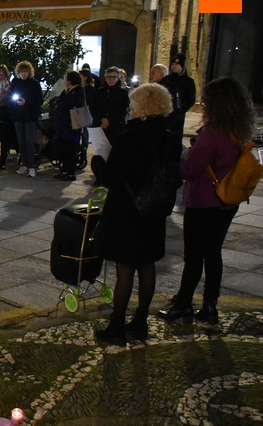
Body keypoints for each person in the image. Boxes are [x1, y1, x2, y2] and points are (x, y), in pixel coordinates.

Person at [156, 77, 253, 325]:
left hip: (204, 201)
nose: (203, 103)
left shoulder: (213, 133)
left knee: (194, 256)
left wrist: (184, 154)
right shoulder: (238, 130)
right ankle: (210, 305)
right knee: (213, 253)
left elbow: (189, 168)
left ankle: (183, 303)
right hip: (228, 201)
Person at [92, 83, 181, 345]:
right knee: (147, 264)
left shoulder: (129, 137)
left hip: (127, 210)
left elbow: (111, 177)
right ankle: (140, 322)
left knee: (125, 268)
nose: (129, 110)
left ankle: (117, 326)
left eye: (132, 105)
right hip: (154, 209)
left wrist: (98, 162)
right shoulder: (171, 139)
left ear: (142, 108)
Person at [88, 66, 130, 183]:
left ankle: (112, 176)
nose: (111, 79)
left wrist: (110, 120)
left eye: (114, 77)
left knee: (114, 152)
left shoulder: (122, 93)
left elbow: (123, 110)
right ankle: (100, 175)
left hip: (115, 126)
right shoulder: (99, 92)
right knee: (100, 152)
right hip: (100, 125)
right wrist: (101, 119)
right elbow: (93, 107)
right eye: (109, 77)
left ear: (118, 78)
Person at [9, 61, 43, 177]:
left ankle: (32, 166)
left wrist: (26, 103)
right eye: (21, 72)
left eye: (25, 72)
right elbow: (11, 95)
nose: (23, 74)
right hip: (18, 116)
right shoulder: (15, 82)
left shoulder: (34, 84)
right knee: (21, 142)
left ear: (29, 72)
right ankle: (24, 165)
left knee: (29, 141)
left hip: (30, 117)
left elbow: (39, 100)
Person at [52, 71, 87, 181]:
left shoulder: (79, 91)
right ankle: (64, 170)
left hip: (72, 125)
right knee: (63, 148)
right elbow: (58, 101)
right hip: (63, 124)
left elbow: (73, 103)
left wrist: (63, 103)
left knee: (70, 149)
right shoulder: (67, 91)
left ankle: (71, 173)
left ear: (70, 80)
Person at [166, 53, 196, 139]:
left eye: (176, 64)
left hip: (178, 116)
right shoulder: (167, 79)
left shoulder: (188, 82)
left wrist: (180, 110)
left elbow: (191, 99)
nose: (174, 66)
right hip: (166, 113)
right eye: (173, 64)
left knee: (176, 136)